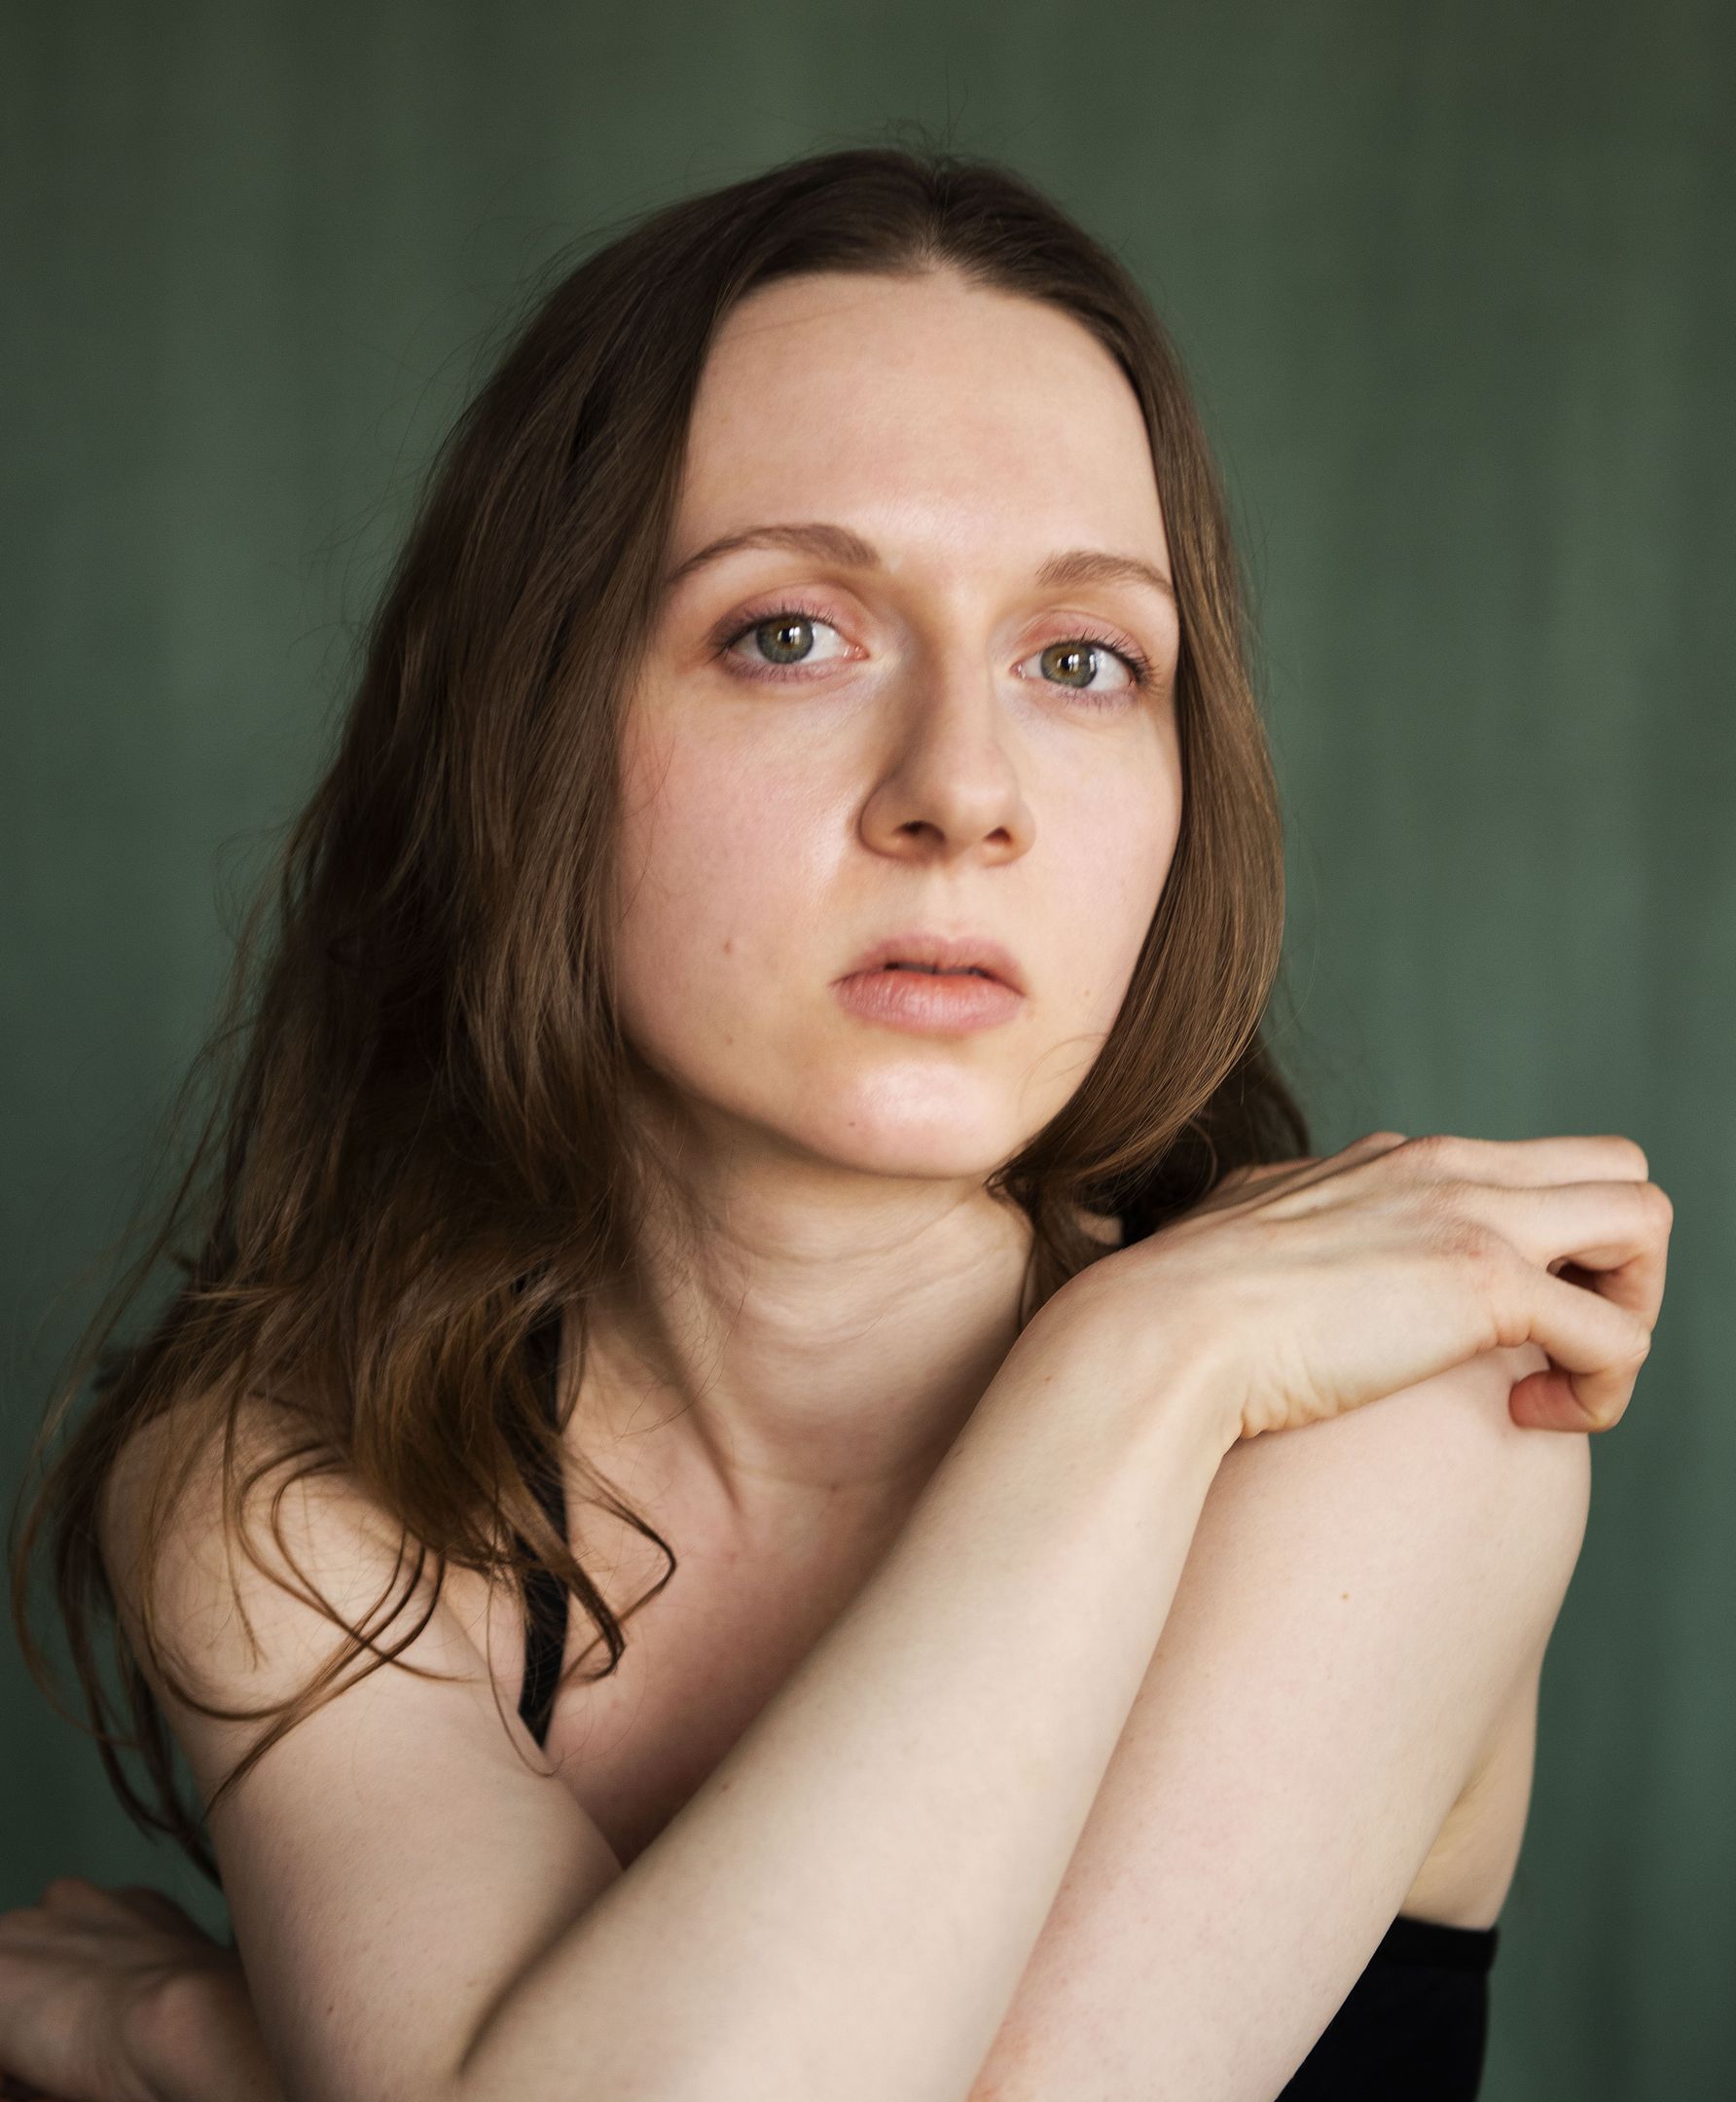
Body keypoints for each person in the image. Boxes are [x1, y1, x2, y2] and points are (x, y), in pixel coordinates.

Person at [2, 143, 1669, 2102]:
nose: (963, 790)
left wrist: (192, 2034)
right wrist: (1145, 1369)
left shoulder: (1393, 1421)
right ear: (521, 729)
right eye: (789, 633)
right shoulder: (294, 1478)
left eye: (1082, 661)